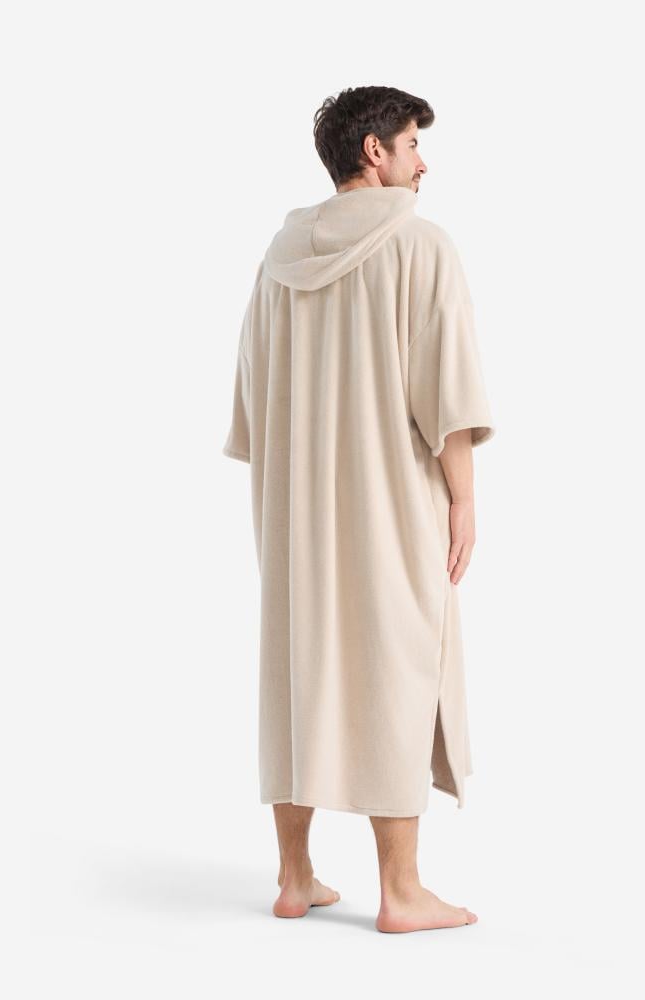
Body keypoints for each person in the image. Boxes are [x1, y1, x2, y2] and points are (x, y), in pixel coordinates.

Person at [223, 85, 495, 932]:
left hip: (294, 512)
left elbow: (251, 400)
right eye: (412, 144)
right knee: (398, 669)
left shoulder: (278, 258)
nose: (423, 162)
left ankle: (294, 877)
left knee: (298, 672)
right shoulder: (420, 245)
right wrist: (463, 497)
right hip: (392, 501)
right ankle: (402, 892)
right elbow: (447, 391)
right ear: (373, 152)